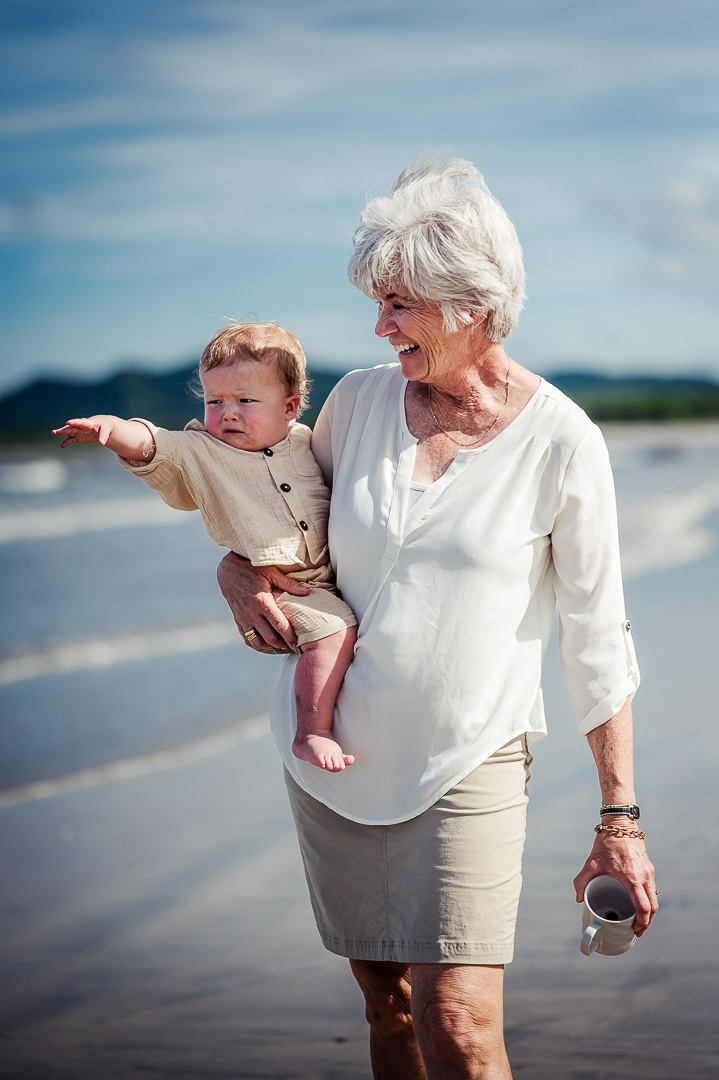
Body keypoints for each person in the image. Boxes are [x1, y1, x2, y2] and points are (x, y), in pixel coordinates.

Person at [219, 157, 658, 1079]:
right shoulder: (355, 401)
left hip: (470, 756)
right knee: (389, 1011)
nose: (378, 325)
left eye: (398, 304)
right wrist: (234, 572)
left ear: (472, 304)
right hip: (331, 758)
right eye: (377, 303)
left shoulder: (563, 441)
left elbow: (595, 634)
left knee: (458, 1027)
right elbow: (281, 524)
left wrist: (619, 816)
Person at [52, 322, 357, 772]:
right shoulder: (204, 449)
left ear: (290, 407)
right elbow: (156, 444)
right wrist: (112, 428)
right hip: (282, 589)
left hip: (328, 578)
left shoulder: (306, 441)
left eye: (245, 401)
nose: (228, 413)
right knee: (336, 632)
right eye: (216, 401)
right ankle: (311, 731)